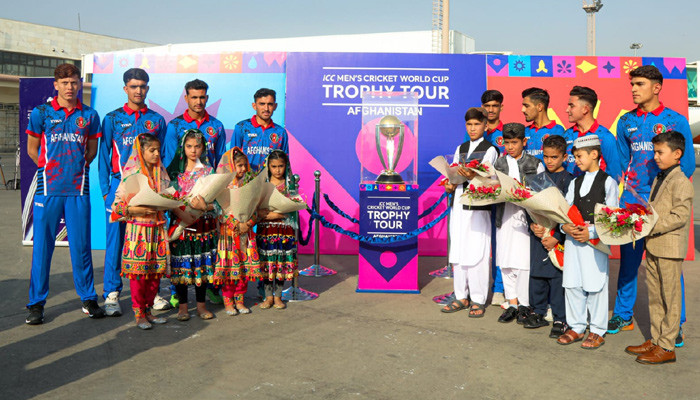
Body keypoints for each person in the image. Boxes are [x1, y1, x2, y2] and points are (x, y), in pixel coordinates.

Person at [610, 65, 695, 336]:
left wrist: (664, 195)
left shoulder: (677, 120)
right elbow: (623, 162)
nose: (633, 89)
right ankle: (624, 315)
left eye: (639, 85)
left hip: (663, 206)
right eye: (632, 85)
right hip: (632, 202)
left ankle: (674, 325)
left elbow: (688, 165)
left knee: (668, 268)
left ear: (657, 87)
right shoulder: (625, 122)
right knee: (629, 264)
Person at [24, 63, 105, 324]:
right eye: (65, 82)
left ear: (80, 84)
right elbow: (32, 150)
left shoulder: (90, 115)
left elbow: (90, 152)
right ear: (55, 85)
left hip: (78, 189)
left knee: (81, 247)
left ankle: (88, 298)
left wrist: (74, 169)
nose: (70, 87)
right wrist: (51, 169)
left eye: (74, 82)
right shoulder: (42, 113)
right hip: (47, 189)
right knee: (42, 248)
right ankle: (36, 304)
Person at [99, 68, 167, 317]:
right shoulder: (112, 119)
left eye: (143, 86)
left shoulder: (157, 120)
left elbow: (162, 157)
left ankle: (153, 294)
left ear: (147, 88)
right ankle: (112, 293)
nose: (139, 90)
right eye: (134, 86)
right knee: (115, 242)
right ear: (125, 88)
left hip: (150, 190)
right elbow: (104, 156)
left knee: (150, 243)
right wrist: (107, 191)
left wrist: (162, 192)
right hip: (120, 189)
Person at [625, 131, 693, 364]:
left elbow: (679, 216)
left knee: (670, 297)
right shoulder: (660, 177)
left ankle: (667, 346)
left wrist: (648, 226)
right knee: (655, 296)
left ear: (677, 154)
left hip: (669, 247)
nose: (655, 156)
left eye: (660, 152)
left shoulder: (681, 182)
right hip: (654, 245)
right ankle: (656, 339)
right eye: (654, 151)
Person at [557, 135, 618, 349]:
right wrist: (565, 227)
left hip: (595, 244)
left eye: (579, 156)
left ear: (594, 154)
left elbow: (612, 220)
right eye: (574, 157)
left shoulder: (608, 183)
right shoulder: (575, 182)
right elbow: (564, 211)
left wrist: (591, 232)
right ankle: (576, 326)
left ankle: (597, 330)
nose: (576, 161)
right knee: (572, 283)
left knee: (596, 285)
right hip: (573, 242)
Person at [441, 108, 499, 317]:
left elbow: (488, 178)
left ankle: (478, 298)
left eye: (477, 124)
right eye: (469, 125)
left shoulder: (490, 149)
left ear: (485, 125)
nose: (473, 128)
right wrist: (450, 183)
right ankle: (460, 295)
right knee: (458, 249)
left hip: (478, 206)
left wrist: (471, 175)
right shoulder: (461, 147)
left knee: (477, 252)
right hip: (458, 203)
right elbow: (454, 173)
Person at [110, 133, 169, 330]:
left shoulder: (160, 173)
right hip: (138, 232)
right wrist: (137, 210)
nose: (156, 154)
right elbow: (117, 208)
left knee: (154, 274)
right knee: (139, 274)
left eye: (158, 150)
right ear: (140, 152)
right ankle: (138, 313)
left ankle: (148, 310)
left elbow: (168, 196)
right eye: (151, 150)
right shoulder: (132, 175)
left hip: (157, 230)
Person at [166, 129, 219, 321]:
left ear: (204, 148)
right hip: (181, 226)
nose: (193, 150)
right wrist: (181, 213)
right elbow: (167, 199)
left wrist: (206, 206)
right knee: (181, 268)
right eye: (189, 146)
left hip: (203, 227)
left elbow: (220, 203)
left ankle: (201, 306)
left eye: (197, 146)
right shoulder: (174, 171)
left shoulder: (209, 172)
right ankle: (182, 307)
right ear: (183, 148)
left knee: (201, 267)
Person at [523, 135, 572, 338]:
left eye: (554, 157)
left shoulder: (570, 181)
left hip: (557, 239)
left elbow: (571, 214)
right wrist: (532, 225)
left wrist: (558, 236)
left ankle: (560, 318)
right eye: (546, 156)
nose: (549, 161)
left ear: (564, 157)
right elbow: (528, 205)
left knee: (556, 276)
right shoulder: (536, 179)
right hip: (539, 235)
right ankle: (538, 311)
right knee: (537, 275)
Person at [494, 123, 544, 323]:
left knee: (523, 263)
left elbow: (542, 191)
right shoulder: (498, 164)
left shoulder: (534, 163)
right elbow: (490, 187)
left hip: (526, 218)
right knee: (505, 261)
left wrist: (524, 194)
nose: (510, 146)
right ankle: (512, 304)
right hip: (504, 215)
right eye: (507, 142)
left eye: (514, 142)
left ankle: (524, 304)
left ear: (524, 141)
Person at [214, 147, 262, 315]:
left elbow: (255, 210)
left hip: (246, 234)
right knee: (229, 269)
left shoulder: (249, 184)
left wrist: (248, 223)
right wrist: (234, 223)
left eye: (244, 165)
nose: (242, 169)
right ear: (230, 166)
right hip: (228, 235)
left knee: (243, 267)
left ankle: (240, 300)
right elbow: (218, 210)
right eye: (239, 165)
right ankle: (228, 301)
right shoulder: (222, 187)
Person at [257, 150, 302, 309]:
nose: (277, 170)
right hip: (266, 230)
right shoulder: (262, 184)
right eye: (273, 166)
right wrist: (260, 213)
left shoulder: (290, 184)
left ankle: (278, 296)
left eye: (281, 166)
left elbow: (294, 208)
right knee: (268, 263)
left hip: (284, 231)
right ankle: (268, 297)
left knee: (280, 264)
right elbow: (254, 205)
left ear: (286, 166)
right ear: (268, 166)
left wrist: (275, 214)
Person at [479, 90, 506, 307]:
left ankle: (498, 288)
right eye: (486, 106)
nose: (490, 110)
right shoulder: (476, 133)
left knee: (499, 243)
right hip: (477, 195)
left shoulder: (506, 134)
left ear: (500, 108)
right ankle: (476, 286)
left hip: (499, 195)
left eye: (494, 106)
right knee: (477, 241)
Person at [162, 79, 226, 168]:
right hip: (182, 180)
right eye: (194, 97)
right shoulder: (174, 126)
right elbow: (170, 160)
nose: (198, 102)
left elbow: (221, 162)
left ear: (207, 98)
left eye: (202, 97)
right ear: (186, 98)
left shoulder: (217, 126)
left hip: (210, 180)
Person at [563, 86, 621, 180]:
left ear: (585, 109)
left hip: (596, 194)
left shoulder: (605, 136)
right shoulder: (566, 135)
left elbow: (614, 173)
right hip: (570, 193)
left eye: (572, 106)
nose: (567, 110)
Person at [231, 88, 288, 171]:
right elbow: (232, 158)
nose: (266, 108)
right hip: (246, 181)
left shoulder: (280, 132)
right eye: (262, 104)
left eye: (270, 104)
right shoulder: (242, 127)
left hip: (270, 182)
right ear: (254, 106)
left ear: (275, 106)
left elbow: (285, 162)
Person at [522, 87, 565, 160]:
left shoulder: (558, 131)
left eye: (526, 106)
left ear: (539, 107)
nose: (522, 109)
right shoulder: (524, 131)